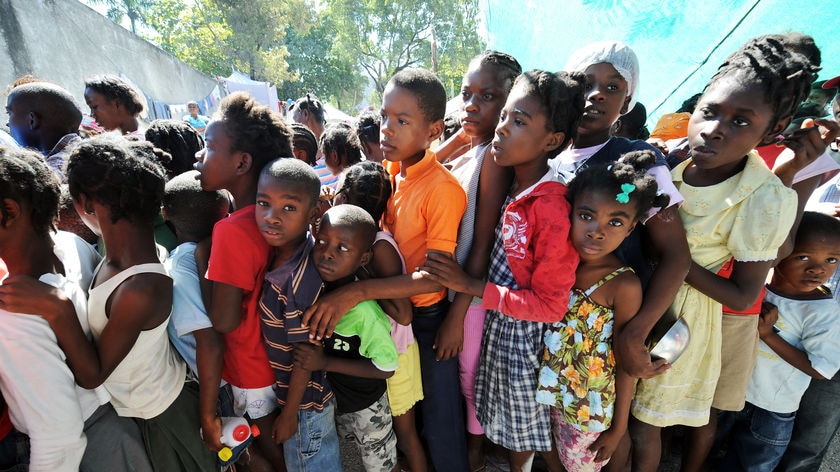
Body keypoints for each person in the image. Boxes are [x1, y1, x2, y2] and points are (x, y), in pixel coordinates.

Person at [629, 34, 821, 472]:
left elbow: (740, 296)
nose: (715, 128)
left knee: (648, 424)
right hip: (640, 299)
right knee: (629, 411)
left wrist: (672, 251)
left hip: (685, 323)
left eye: (740, 122)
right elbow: (627, 201)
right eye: (709, 112)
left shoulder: (763, 197)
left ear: (771, 131)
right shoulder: (671, 167)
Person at [0, 135, 216, 470]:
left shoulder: (139, 287)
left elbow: (93, 375)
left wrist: (59, 308)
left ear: (85, 205)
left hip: (160, 414)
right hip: (141, 406)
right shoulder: (107, 256)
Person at [302, 68, 470, 471]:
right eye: (384, 118)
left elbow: (436, 275)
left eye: (402, 121)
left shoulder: (444, 191)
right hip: (392, 317)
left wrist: (356, 291)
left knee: (438, 419)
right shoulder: (395, 172)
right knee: (405, 416)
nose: (387, 130)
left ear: (432, 129)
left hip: (425, 318)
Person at [420, 69, 583, 471]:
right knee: (502, 420)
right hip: (499, 326)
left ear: (553, 141)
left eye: (520, 122)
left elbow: (549, 306)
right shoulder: (515, 185)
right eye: (506, 116)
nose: (503, 129)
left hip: (524, 343)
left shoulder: (551, 207)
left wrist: (471, 286)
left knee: (523, 432)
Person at [0, 147, 151, 472]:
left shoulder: (13, 310)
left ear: (8, 212)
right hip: (114, 429)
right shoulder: (71, 245)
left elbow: (58, 438)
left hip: (82, 451)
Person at [555, 41, 691, 384]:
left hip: (610, 329)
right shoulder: (547, 156)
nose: (597, 94)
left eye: (612, 87)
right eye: (586, 83)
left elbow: (676, 255)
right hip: (555, 323)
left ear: (627, 103)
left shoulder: (640, 160)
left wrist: (635, 332)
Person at [536, 151, 668, 472]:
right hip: (549, 392)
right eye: (586, 216)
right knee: (552, 459)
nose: (597, 231)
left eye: (615, 222)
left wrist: (618, 428)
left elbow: (625, 360)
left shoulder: (622, 285)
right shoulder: (557, 264)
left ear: (632, 227)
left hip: (588, 409)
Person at [431, 49, 521, 472]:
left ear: (511, 103)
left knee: (469, 377)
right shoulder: (475, 147)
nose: (471, 104)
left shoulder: (494, 158)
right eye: (466, 93)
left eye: (487, 97)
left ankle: (474, 454)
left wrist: (457, 312)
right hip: (456, 285)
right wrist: (463, 133)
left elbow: (483, 243)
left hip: (471, 291)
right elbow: (429, 162)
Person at [195, 91, 294, 472]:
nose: (200, 157)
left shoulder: (232, 231)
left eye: (209, 146)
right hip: (274, 364)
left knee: (270, 456)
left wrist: (202, 263)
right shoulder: (276, 219)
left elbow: (223, 321)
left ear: (242, 162)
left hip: (249, 369)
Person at [717, 212, 840, 471]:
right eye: (803, 257)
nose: (818, 269)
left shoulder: (824, 312)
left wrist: (768, 336)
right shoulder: (756, 288)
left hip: (772, 411)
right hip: (733, 393)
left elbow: (820, 369)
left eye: (831, 259)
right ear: (779, 252)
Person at [332, 161, 427, 472]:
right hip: (377, 351)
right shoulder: (351, 241)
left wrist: (360, 275)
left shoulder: (378, 246)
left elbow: (403, 313)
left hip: (397, 353)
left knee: (405, 433)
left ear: (342, 198)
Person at [294, 204, 399, 472]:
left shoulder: (365, 313)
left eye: (342, 248)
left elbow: (386, 367)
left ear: (364, 258)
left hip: (368, 406)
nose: (327, 253)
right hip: (336, 402)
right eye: (321, 242)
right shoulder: (313, 289)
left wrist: (325, 362)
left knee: (380, 464)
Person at [255, 158, 342, 470]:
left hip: (305, 406)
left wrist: (290, 414)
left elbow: (306, 354)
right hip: (297, 399)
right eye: (263, 203)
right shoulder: (292, 254)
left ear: (314, 211)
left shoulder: (298, 280)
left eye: (288, 208)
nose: (272, 217)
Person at [161, 171, 233, 458]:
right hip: (237, 375)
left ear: (165, 214)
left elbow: (209, 342)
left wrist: (207, 414)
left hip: (220, 385)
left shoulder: (181, 266)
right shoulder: (224, 248)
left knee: (244, 454)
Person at [4, 81, 83, 180]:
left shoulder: (55, 173)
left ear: (32, 120)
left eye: (9, 113)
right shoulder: (81, 156)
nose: (7, 123)